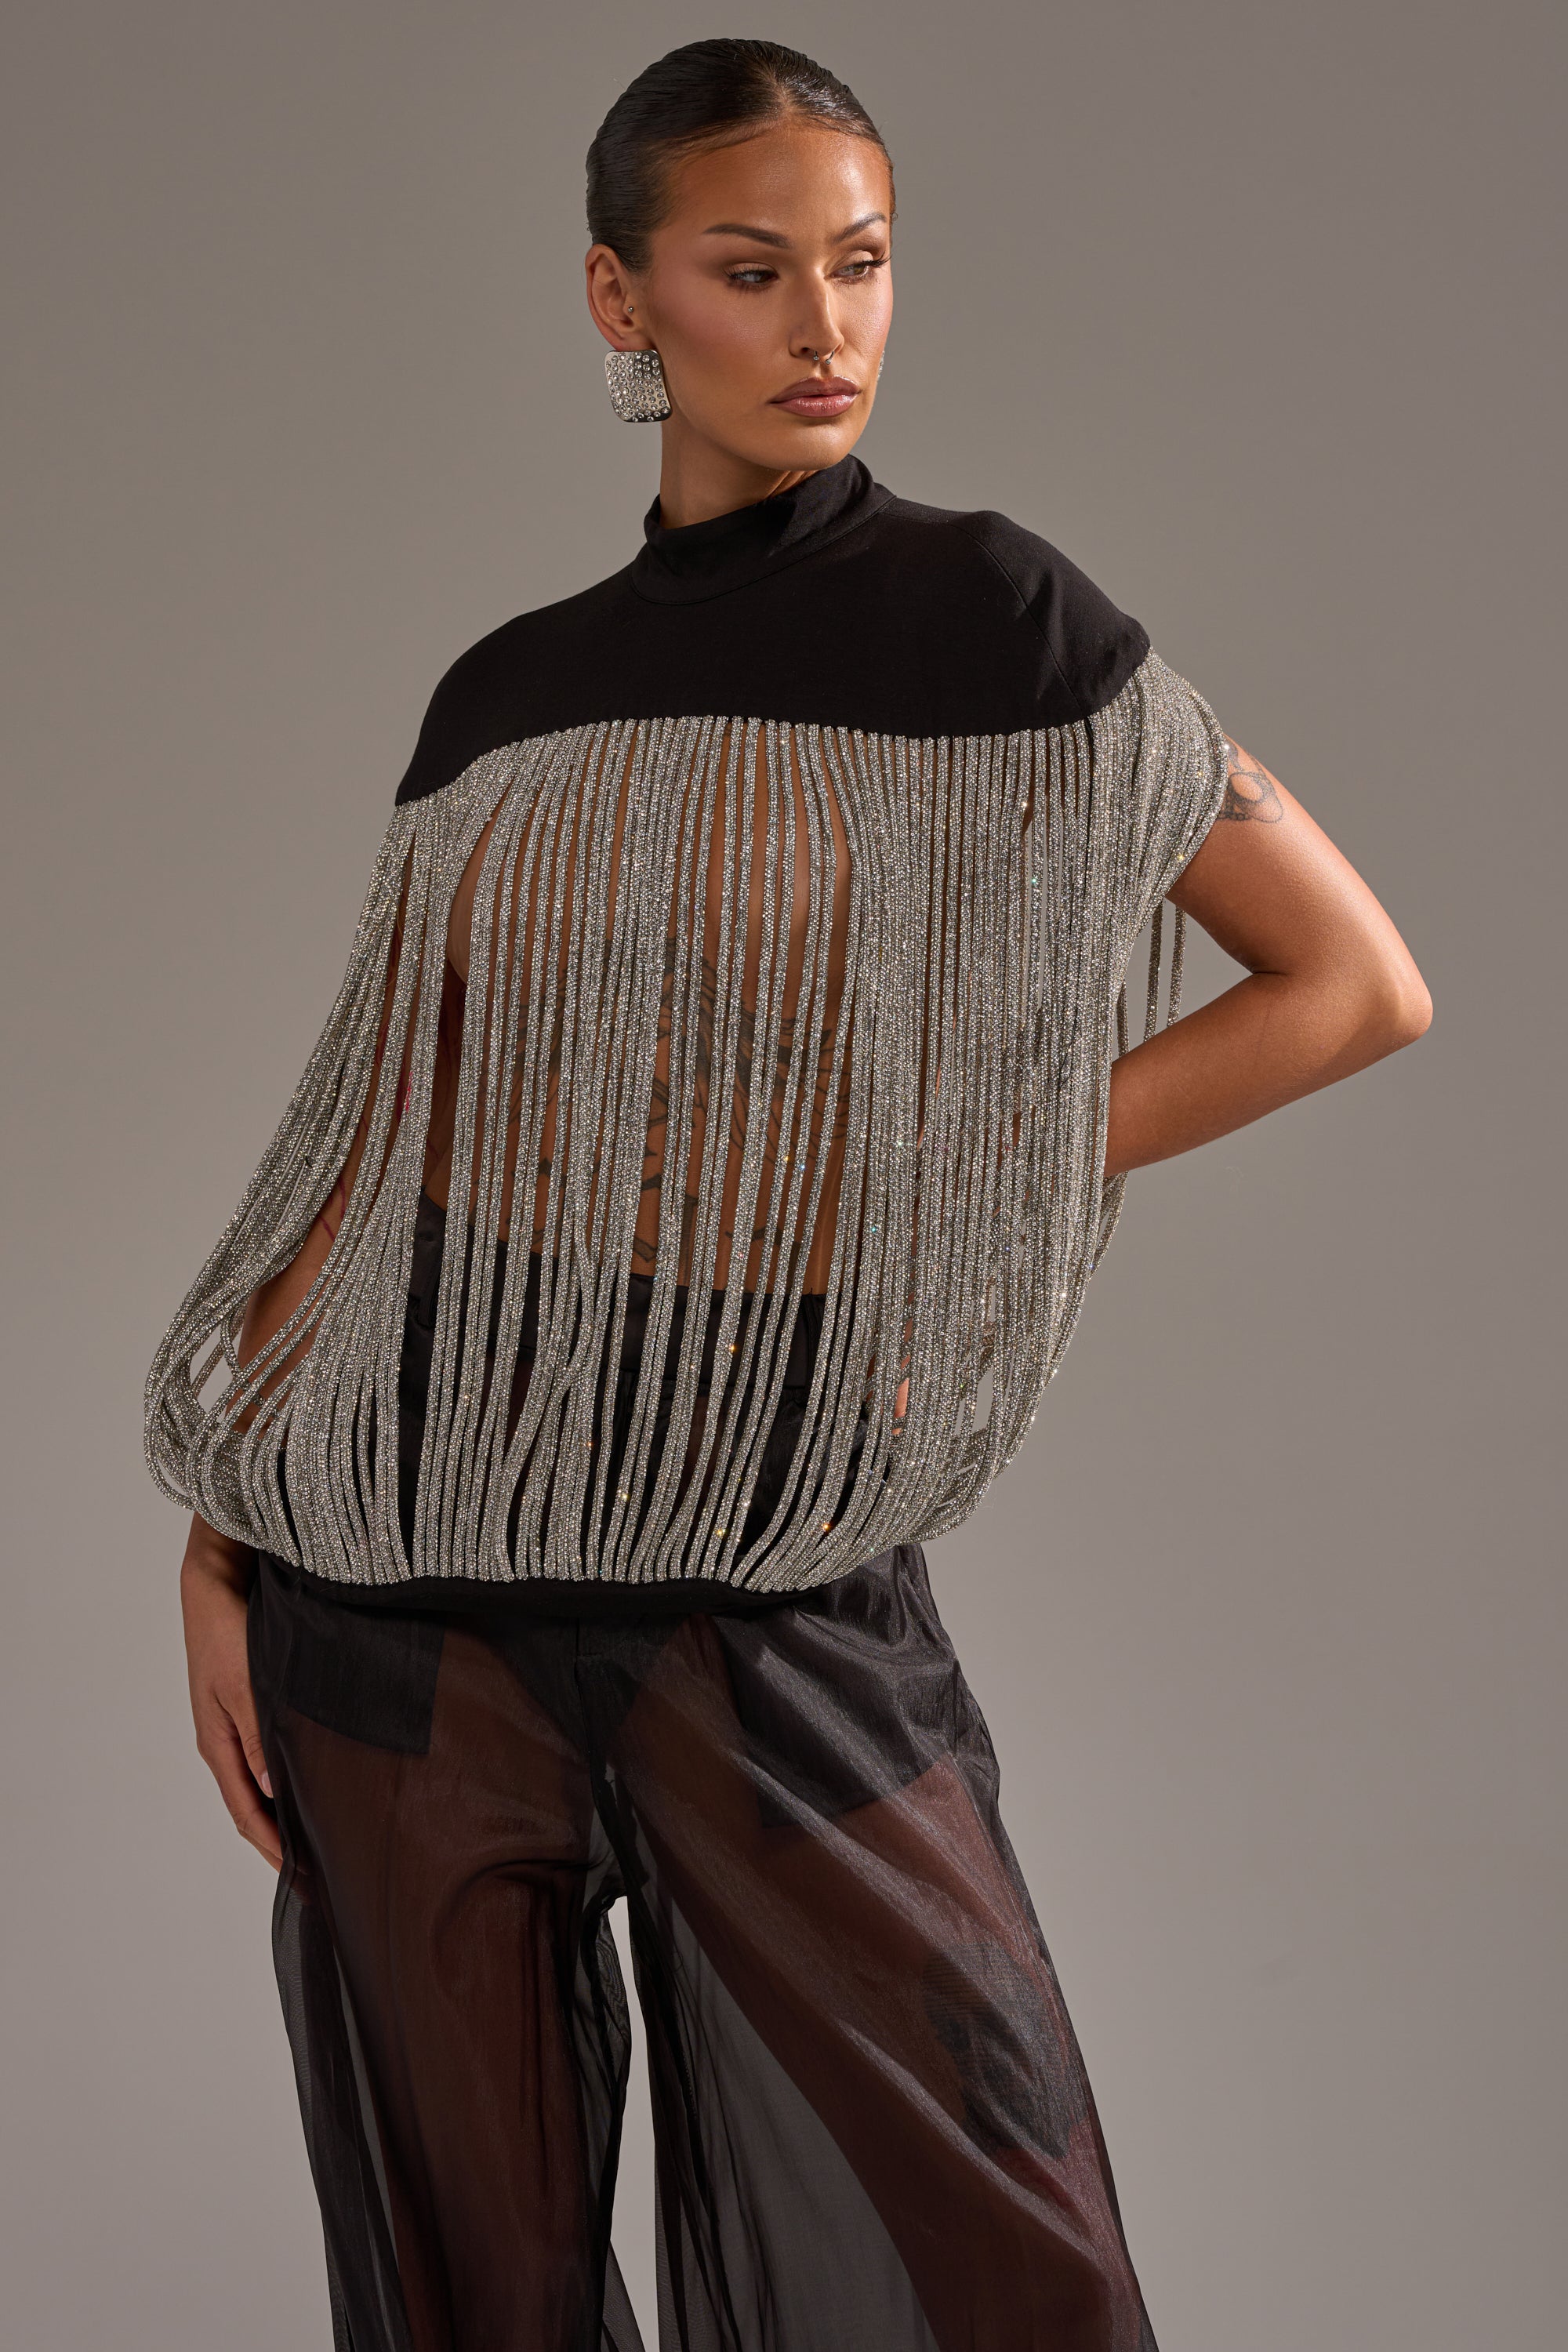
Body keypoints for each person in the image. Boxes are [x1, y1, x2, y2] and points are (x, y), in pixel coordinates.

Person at [145, 38, 1431, 2352]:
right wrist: (228, 1535)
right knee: (477, 2302)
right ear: (624, 307)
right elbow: (384, 1139)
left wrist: (940, 1191)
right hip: (394, 1606)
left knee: (1006, 2261)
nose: (826, 327)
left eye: (863, 266)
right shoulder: (505, 702)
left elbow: (1352, 985)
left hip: (756, 1565)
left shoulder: (993, 623)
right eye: (755, 273)